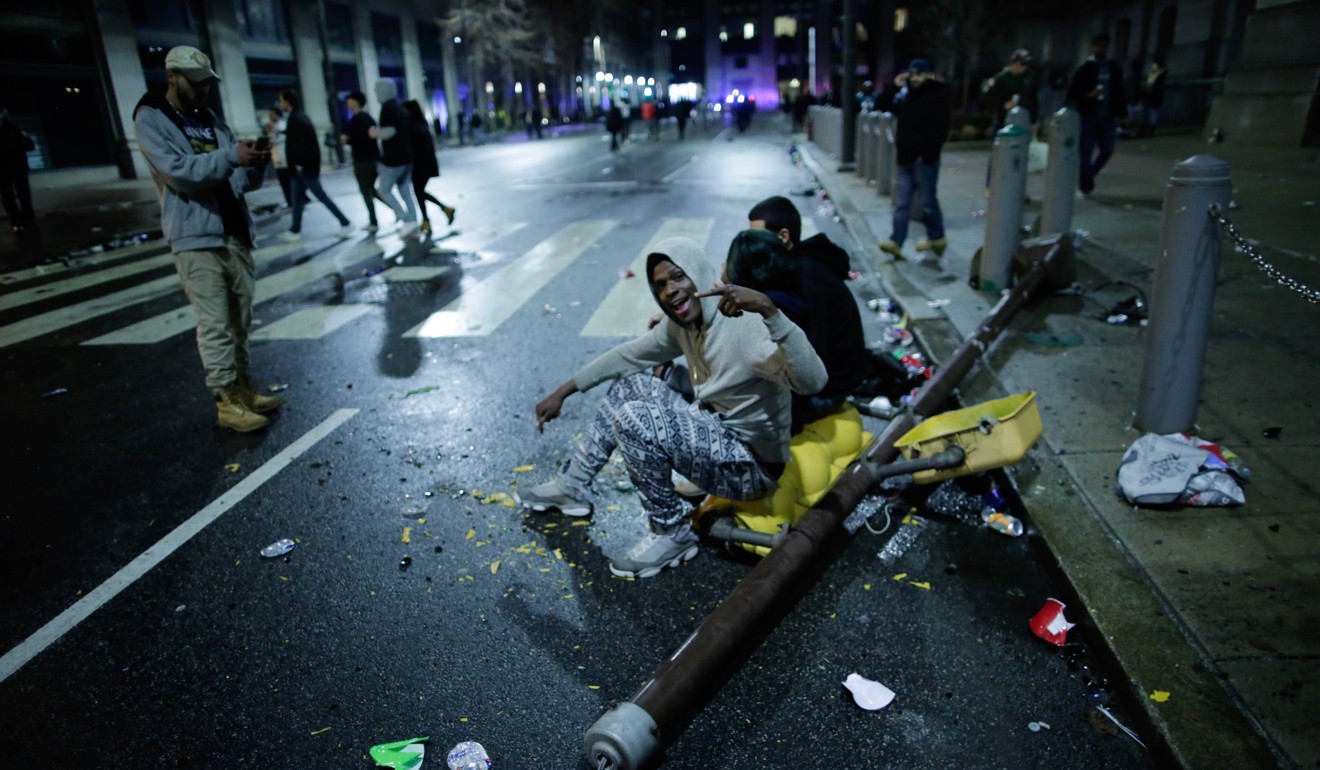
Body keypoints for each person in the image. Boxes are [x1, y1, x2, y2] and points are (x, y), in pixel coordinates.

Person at [518, 236, 827, 578]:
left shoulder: (744, 326)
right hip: (715, 435)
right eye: (660, 285)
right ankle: (572, 485)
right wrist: (563, 391)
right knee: (630, 386)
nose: (670, 290)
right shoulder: (682, 325)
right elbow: (628, 355)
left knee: (635, 419)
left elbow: (814, 382)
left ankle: (672, 533)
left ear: (698, 273)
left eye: (678, 277)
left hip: (750, 466)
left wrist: (770, 311)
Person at [134, 46, 280, 432]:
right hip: (196, 236)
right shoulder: (152, 118)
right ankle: (226, 401)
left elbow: (236, 178)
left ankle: (245, 389)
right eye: (195, 83)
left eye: (206, 83)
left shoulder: (209, 118)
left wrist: (255, 164)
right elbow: (179, 172)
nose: (203, 91)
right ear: (172, 76)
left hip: (234, 232)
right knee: (215, 323)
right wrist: (232, 156)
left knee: (240, 322)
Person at [725, 228, 867, 430]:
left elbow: (810, 376)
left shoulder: (776, 305)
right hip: (843, 380)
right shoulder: (799, 274)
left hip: (825, 395)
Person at [878, 58, 950, 263]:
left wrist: (928, 153)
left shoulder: (937, 95)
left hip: (924, 160)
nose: (915, 78)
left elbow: (942, 128)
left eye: (919, 74)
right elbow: (881, 104)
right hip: (905, 159)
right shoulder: (905, 95)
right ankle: (896, 242)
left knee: (928, 202)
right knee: (902, 204)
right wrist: (894, 86)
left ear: (927, 75)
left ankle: (937, 236)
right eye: (912, 74)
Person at [277, 89, 351, 242]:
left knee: (320, 196)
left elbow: (302, 145)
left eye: (281, 100)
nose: (280, 104)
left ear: (287, 101)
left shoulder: (297, 119)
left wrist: (299, 164)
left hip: (303, 168)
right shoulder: (297, 117)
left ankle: (346, 222)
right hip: (301, 168)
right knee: (296, 199)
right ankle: (295, 230)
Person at [1067, 33, 1127, 194]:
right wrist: (1088, 95)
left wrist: (1123, 113)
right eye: (1098, 45)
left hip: (1108, 117)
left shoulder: (1113, 67)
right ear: (1092, 47)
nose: (1101, 49)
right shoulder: (1085, 69)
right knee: (1085, 151)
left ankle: (1089, 175)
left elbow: (1120, 91)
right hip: (1089, 116)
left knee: (1107, 149)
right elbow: (1072, 93)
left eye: (1104, 45)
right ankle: (1085, 183)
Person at [371, 78, 417, 234]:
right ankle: (412, 221)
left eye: (377, 90)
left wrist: (374, 133)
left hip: (394, 160)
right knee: (405, 192)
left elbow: (390, 131)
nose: (376, 93)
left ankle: (406, 219)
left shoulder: (388, 108)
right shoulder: (399, 108)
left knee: (384, 190)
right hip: (407, 158)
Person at [402, 99, 455, 233]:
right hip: (426, 164)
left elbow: (411, 148)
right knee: (420, 193)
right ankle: (430, 218)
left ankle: (438, 213)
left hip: (419, 165)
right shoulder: (421, 124)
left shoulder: (411, 126)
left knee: (419, 193)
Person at [341, 90, 390, 232]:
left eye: (349, 99)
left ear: (354, 101)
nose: (347, 102)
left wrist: (347, 140)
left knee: (366, 190)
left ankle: (373, 221)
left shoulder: (357, 120)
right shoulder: (369, 118)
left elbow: (360, 139)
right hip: (374, 158)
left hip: (362, 160)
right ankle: (396, 210)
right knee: (372, 190)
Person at [982, 49, 1040, 131]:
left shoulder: (1029, 77)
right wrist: (1002, 104)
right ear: (1015, 63)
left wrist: (1034, 120)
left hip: (1023, 120)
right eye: (1023, 63)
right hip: (1003, 120)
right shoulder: (1002, 77)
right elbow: (987, 95)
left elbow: (1033, 99)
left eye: (1027, 64)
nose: (1025, 67)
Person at [0, 108, 36, 237]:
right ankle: (17, 223)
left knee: (22, 195)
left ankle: (27, 221)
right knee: (9, 197)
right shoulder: (12, 128)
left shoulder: (12, 128)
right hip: (6, 169)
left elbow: (29, 145)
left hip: (17, 167)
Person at [1138, 62, 1166, 138]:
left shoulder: (1157, 77)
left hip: (1152, 99)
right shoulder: (1153, 76)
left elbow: (1152, 89)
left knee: (1150, 115)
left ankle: (1147, 132)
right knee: (1148, 115)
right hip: (1150, 99)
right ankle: (1146, 132)